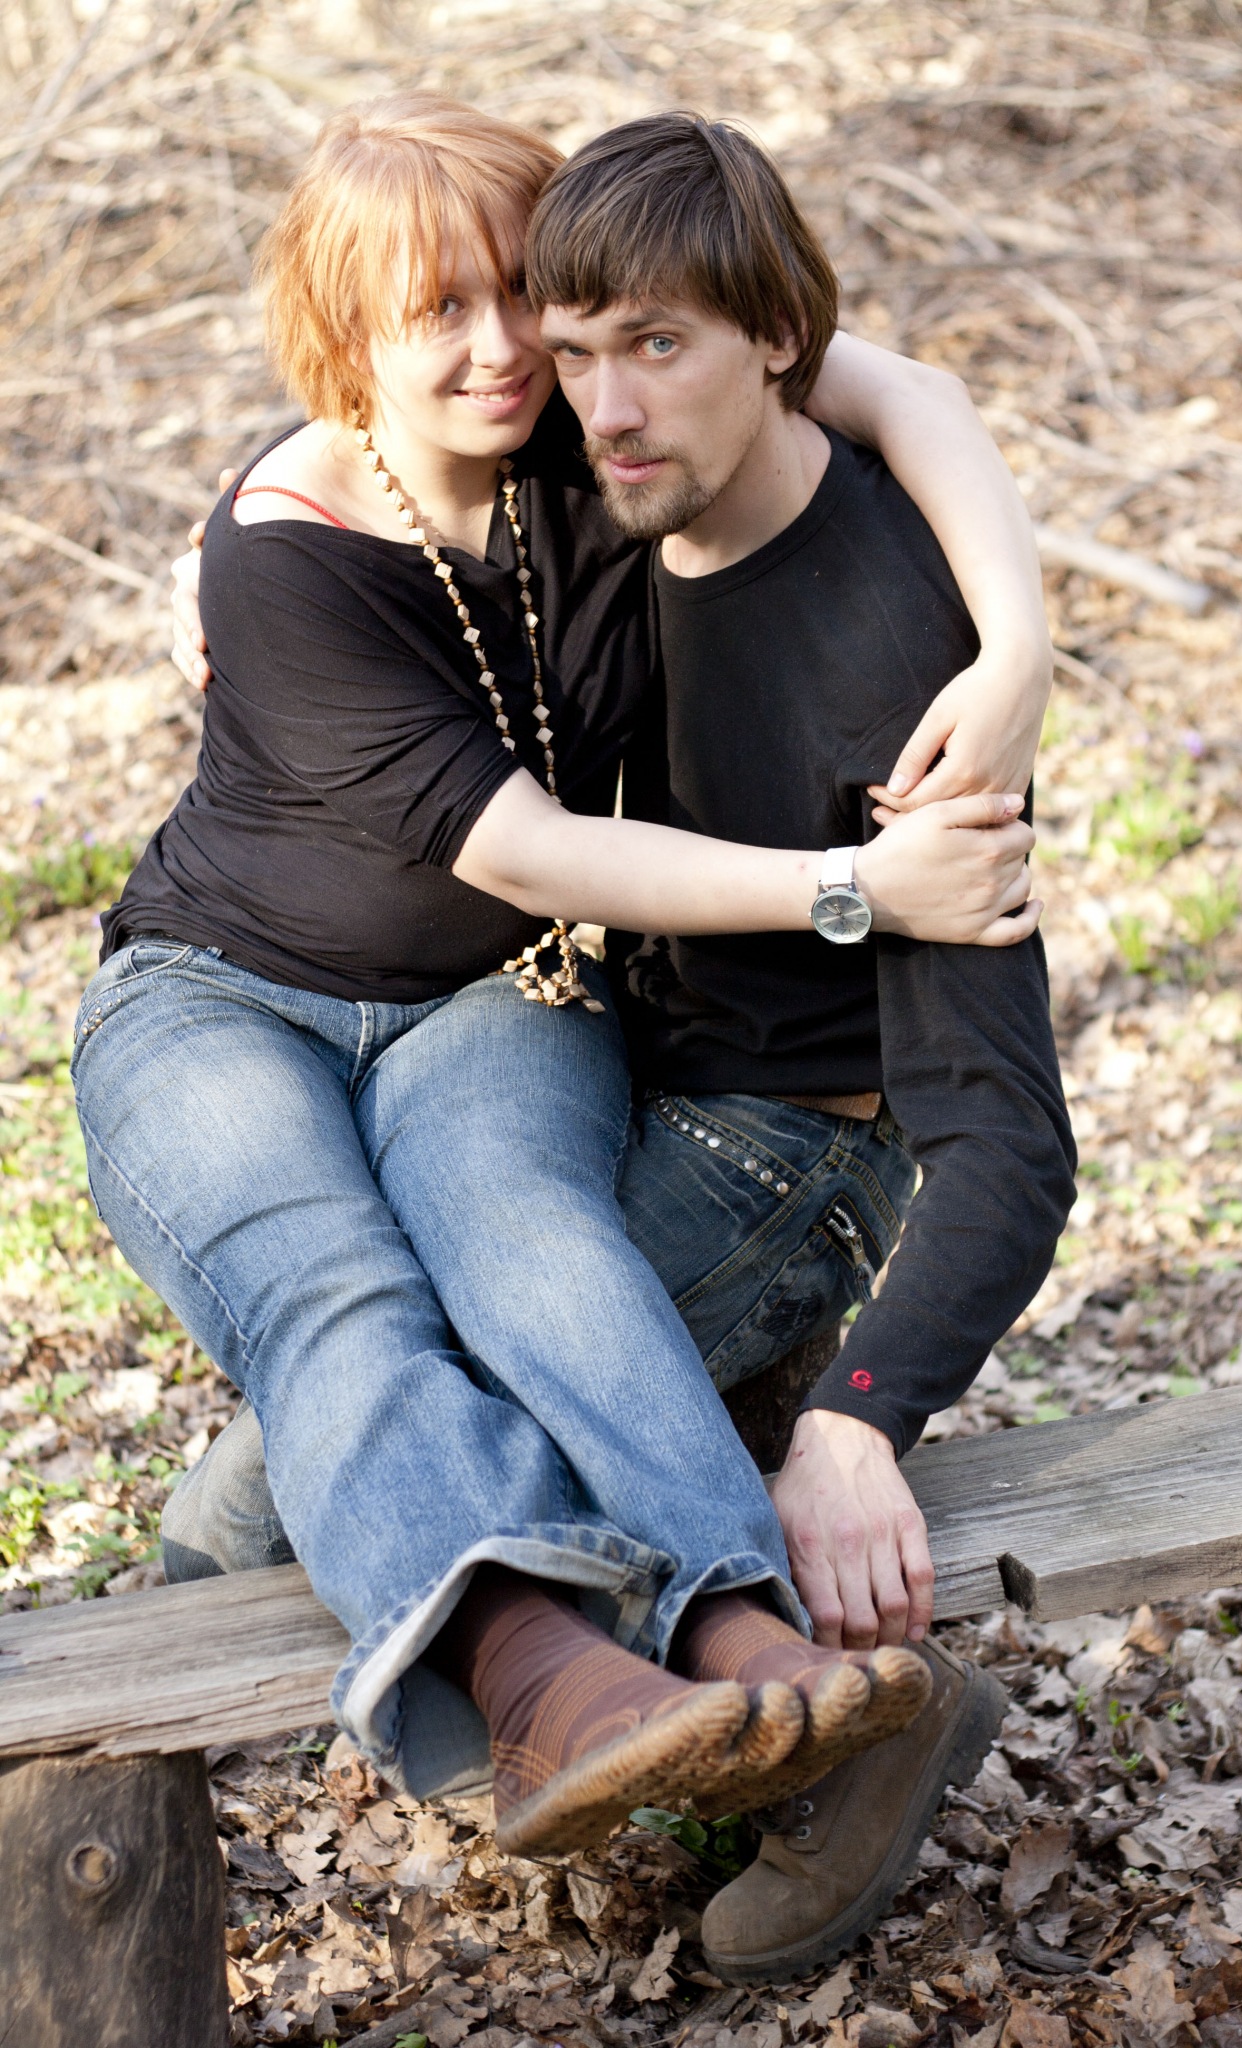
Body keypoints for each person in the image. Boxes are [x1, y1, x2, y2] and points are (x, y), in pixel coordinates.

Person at [74, 95, 1052, 1861]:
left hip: (520, 1015)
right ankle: (555, 1679)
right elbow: (527, 846)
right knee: (339, 1306)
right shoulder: (321, 541)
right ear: (353, 339)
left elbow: (893, 383)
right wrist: (854, 887)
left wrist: (1019, 645)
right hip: (229, 993)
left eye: (518, 295)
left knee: (509, 1272)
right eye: (438, 310)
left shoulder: (610, 452)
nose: (510, 350)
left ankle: (743, 1648)